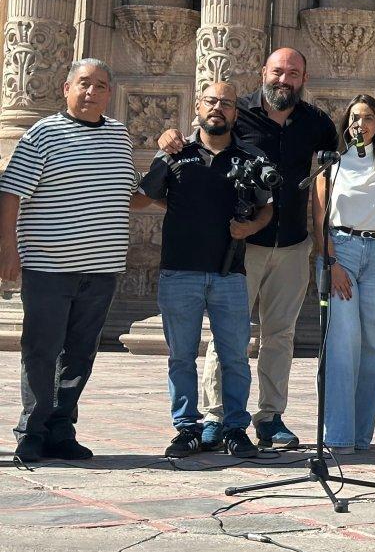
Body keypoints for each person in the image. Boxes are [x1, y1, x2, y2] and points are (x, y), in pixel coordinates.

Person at [158, 47, 338, 449]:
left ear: (304, 79)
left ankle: (270, 416)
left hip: (292, 243)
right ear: (263, 72)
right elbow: (199, 140)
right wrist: (168, 137)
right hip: (242, 245)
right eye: (278, 71)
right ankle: (215, 416)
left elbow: (337, 168)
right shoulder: (237, 111)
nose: (284, 79)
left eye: (293, 73)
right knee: (228, 338)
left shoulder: (317, 122)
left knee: (280, 335)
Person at [0, 59, 139, 463]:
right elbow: (10, 193)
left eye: (100, 86)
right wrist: (8, 249)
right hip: (49, 266)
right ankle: (31, 431)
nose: (91, 92)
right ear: (66, 88)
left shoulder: (119, 136)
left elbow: (127, 194)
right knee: (41, 351)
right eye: (84, 83)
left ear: (110, 94)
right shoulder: (42, 134)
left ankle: (61, 430)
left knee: (79, 354)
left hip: (102, 268)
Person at [133, 81, 273, 459]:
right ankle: (186, 429)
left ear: (235, 113)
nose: (218, 108)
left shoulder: (251, 157)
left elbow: (266, 207)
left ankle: (235, 428)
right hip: (179, 271)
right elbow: (143, 197)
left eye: (226, 103)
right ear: (198, 106)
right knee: (181, 356)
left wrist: (251, 228)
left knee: (235, 357)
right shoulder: (174, 152)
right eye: (211, 101)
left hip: (229, 274)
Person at [310, 94, 375, 454]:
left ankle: (361, 433)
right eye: (354, 118)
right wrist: (330, 263)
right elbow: (319, 218)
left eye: (367, 118)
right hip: (341, 250)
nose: (359, 124)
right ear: (345, 124)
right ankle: (338, 436)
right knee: (342, 342)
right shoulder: (331, 164)